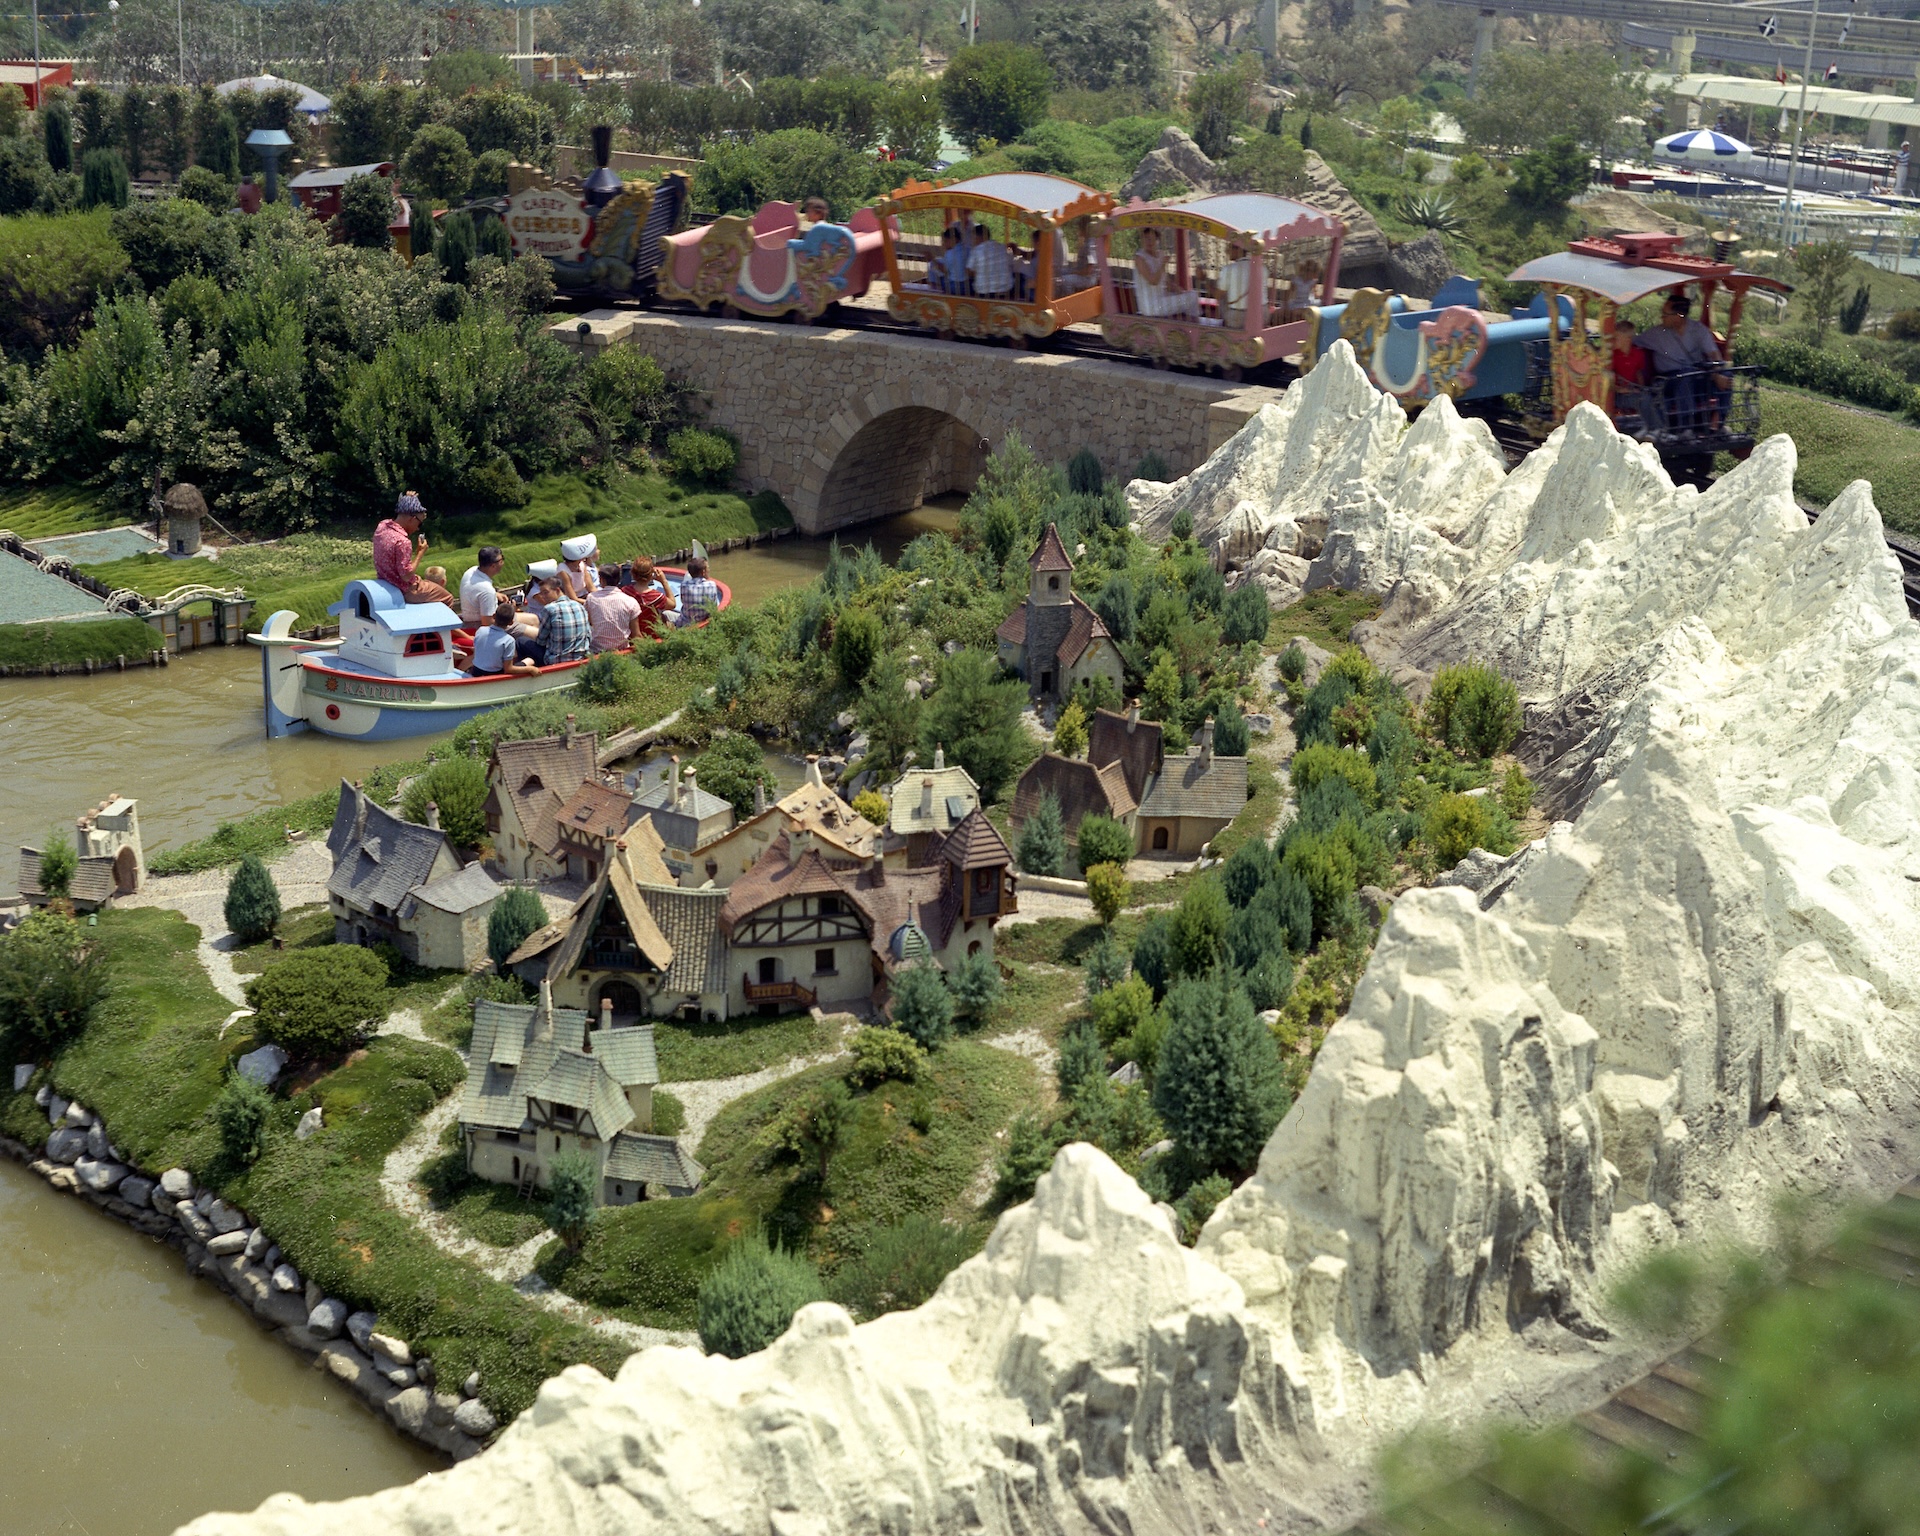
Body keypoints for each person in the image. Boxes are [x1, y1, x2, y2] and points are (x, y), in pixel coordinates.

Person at [1637, 292, 1729, 432]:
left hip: (1695, 376)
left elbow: (1714, 355)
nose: (1662, 317)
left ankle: (1717, 424)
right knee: (1686, 375)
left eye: (1665, 314)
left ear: (1679, 316)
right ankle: (1685, 427)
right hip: (1668, 380)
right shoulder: (1656, 334)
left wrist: (1718, 375)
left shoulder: (1698, 330)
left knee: (1727, 375)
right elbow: (1630, 340)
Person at [372, 492, 453, 605]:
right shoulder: (403, 541)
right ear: (412, 519)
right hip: (406, 590)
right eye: (419, 524)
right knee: (447, 597)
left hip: (385, 582)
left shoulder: (382, 526)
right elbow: (406, 576)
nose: (417, 529)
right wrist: (420, 553)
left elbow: (405, 507)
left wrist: (410, 498)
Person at [521, 571, 590, 666]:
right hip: (580, 657)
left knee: (521, 641)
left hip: (556, 660)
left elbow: (541, 641)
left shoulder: (549, 609)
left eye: (546, 593)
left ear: (557, 590)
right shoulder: (579, 606)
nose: (543, 597)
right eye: (541, 593)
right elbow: (588, 635)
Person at [1132, 227, 1198, 318]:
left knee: (1191, 294)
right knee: (1193, 297)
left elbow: (1166, 281)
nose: (1148, 242)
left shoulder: (1160, 254)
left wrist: (1181, 291)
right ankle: (1194, 325)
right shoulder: (1140, 258)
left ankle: (1187, 323)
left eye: (1151, 239)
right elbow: (1153, 281)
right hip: (1150, 305)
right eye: (1146, 238)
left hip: (1162, 298)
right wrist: (1163, 264)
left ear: (1157, 240)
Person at [585, 563, 646, 652]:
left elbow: (590, 622)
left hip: (596, 652)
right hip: (622, 652)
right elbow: (636, 635)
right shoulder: (630, 602)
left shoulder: (591, 598)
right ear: (619, 579)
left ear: (601, 580)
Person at [463, 601, 535, 675]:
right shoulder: (509, 640)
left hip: (476, 671)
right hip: (495, 674)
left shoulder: (481, 630)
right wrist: (530, 669)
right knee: (529, 660)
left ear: (494, 616)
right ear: (511, 623)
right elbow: (509, 669)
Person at [1610, 317, 1652, 427]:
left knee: (1648, 397)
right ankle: (1654, 428)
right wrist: (1620, 389)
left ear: (1628, 339)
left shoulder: (1638, 354)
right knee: (1642, 400)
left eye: (1616, 338)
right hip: (1616, 394)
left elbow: (1638, 373)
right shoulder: (1612, 356)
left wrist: (1640, 388)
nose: (1613, 341)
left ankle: (1653, 428)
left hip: (1630, 391)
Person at [620, 555, 678, 634]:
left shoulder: (625, 591)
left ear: (633, 574)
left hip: (631, 634)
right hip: (652, 634)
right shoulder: (656, 596)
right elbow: (673, 604)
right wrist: (664, 581)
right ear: (651, 575)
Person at [459, 546, 507, 625]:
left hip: (468, 620)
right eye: (501, 560)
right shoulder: (487, 590)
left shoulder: (471, 571)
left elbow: (475, 591)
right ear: (493, 566)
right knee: (532, 619)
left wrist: (496, 595)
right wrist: (510, 612)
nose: (503, 563)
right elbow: (488, 623)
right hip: (479, 625)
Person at [967, 222, 1013, 298]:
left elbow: (968, 271)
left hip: (984, 293)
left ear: (978, 237)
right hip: (1006, 291)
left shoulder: (976, 251)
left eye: (973, 237)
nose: (972, 240)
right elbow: (1010, 264)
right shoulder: (1002, 247)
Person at [674, 555, 721, 627]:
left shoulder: (683, 585)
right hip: (704, 624)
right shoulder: (712, 585)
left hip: (686, 624)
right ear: (703, 572)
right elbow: (713, 606)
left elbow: (682, 601)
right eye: (708, 568)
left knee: (666, 613)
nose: (709, 570)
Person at [1216, 241, 1254, 330]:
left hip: (1237, 318)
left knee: (1223, 298)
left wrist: (1204, 279)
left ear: (1239, 250)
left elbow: (1218, 295)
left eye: (1229, 248)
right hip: (1259, 316)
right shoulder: (1261, 267)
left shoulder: (1228, 269)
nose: (1227, 251)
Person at [559, 533, 600, 600]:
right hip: (574, 601)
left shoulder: (582, 565)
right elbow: (573, 598)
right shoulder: (563, 570)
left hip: (586, 597)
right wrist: (589, 603)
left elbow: (591, 588)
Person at [929, 225, 969, 293]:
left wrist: (932, 259)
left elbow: (945, 271)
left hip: (954, 287)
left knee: (933, 266)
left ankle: (933, 289)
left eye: (945, 241)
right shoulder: (967, 249)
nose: (944, 244)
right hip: (967, 285)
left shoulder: (950, 253)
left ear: (954, 239)